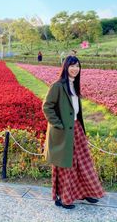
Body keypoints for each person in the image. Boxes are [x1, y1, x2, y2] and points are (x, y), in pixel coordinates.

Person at [42, 55, 105, 209]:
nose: (75, 69)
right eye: (72, 65)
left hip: (76, 129)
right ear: (65, 67)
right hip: (63, 131)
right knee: (66, 166)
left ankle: (86, 192)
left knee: (83, 163)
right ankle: (64, 198)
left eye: (77, 66)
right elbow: (47, 106)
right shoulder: (58, 86)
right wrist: (58, 125)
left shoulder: (74, 85)